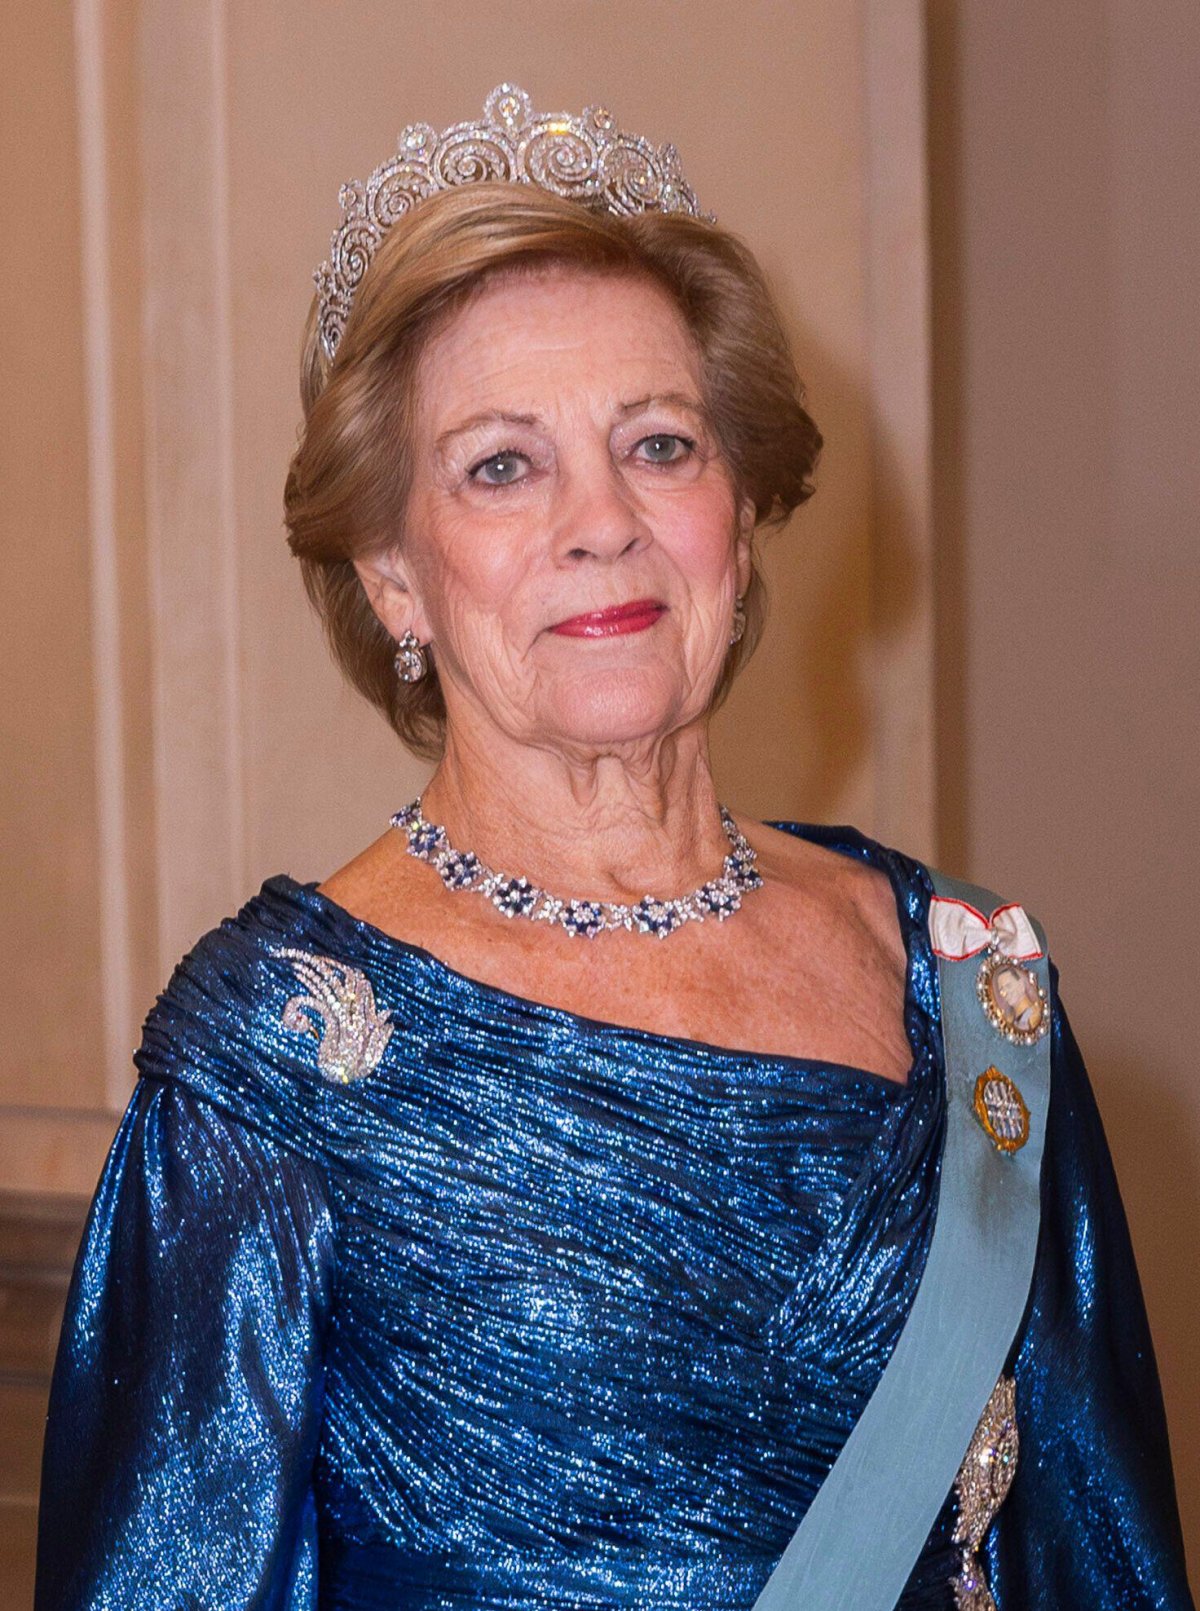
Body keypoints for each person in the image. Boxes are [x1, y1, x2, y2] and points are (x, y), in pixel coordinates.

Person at [34, 85, 1194, 1611]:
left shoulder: (970, 984)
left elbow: (1103, 1566)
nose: (605, 524)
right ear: (393, 571)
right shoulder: (274, 1070)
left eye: (659, 445)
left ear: (741, 515)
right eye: (502, 466)